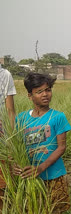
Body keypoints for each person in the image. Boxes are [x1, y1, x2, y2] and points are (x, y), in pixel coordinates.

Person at [13, 72, 71, 213]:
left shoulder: (58, 117)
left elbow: (61, 147)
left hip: (53, 176)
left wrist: (40, 168)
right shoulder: (21, 119)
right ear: (30, 95)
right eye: (39, 92)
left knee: (56, 210)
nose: (45, 94)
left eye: (48, 90)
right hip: (30, 178)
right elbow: (16, 147)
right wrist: (15, 165)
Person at [0, 65, 16, 210]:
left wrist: (12, 142)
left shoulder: (4, 75)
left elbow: (10, 111)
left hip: (2, 137)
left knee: (4, 183)